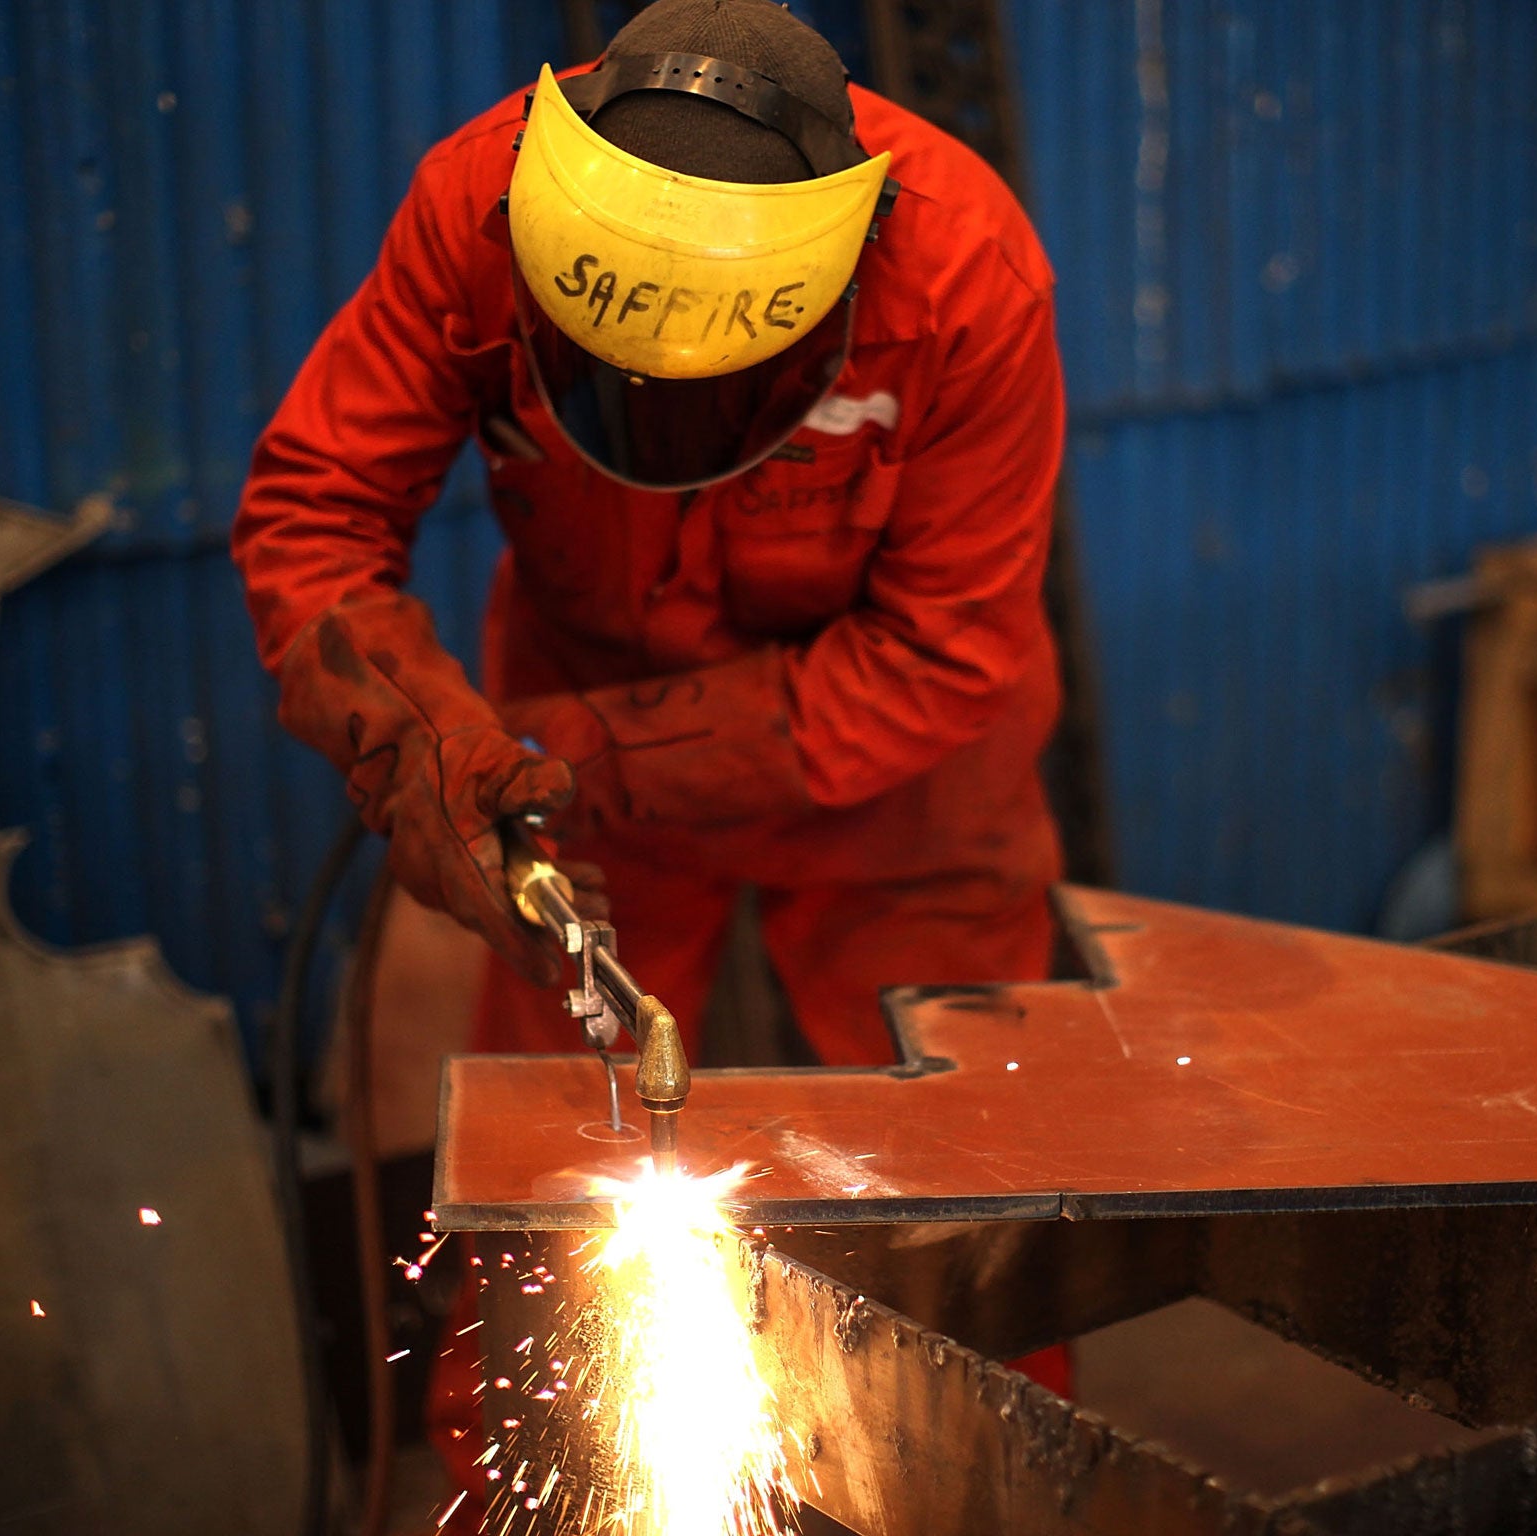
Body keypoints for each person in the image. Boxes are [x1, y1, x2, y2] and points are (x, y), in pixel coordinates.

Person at [230, 0, 1071, 1481]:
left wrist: (572, 752)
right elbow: (318, 515)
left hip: (897, 773)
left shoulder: (962, 269)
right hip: (564, 774)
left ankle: (994, 1491)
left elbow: (947, 650)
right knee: (558, 1186)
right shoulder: (475, 208)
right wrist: (429, 755)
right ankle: (530, 1496)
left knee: (972, 1194)